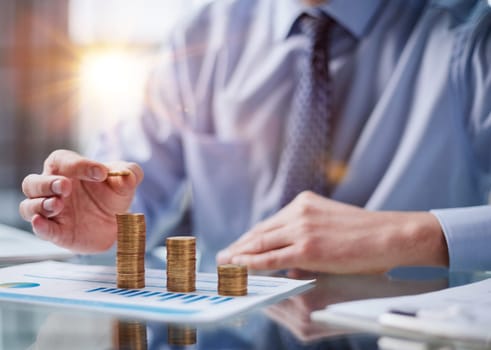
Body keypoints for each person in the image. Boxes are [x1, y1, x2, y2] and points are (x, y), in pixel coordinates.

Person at [19, 0, 491, 273]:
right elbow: (126, 187)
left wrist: (418, 234)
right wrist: (100, 220)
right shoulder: (202, 36)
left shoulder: (472, 37)